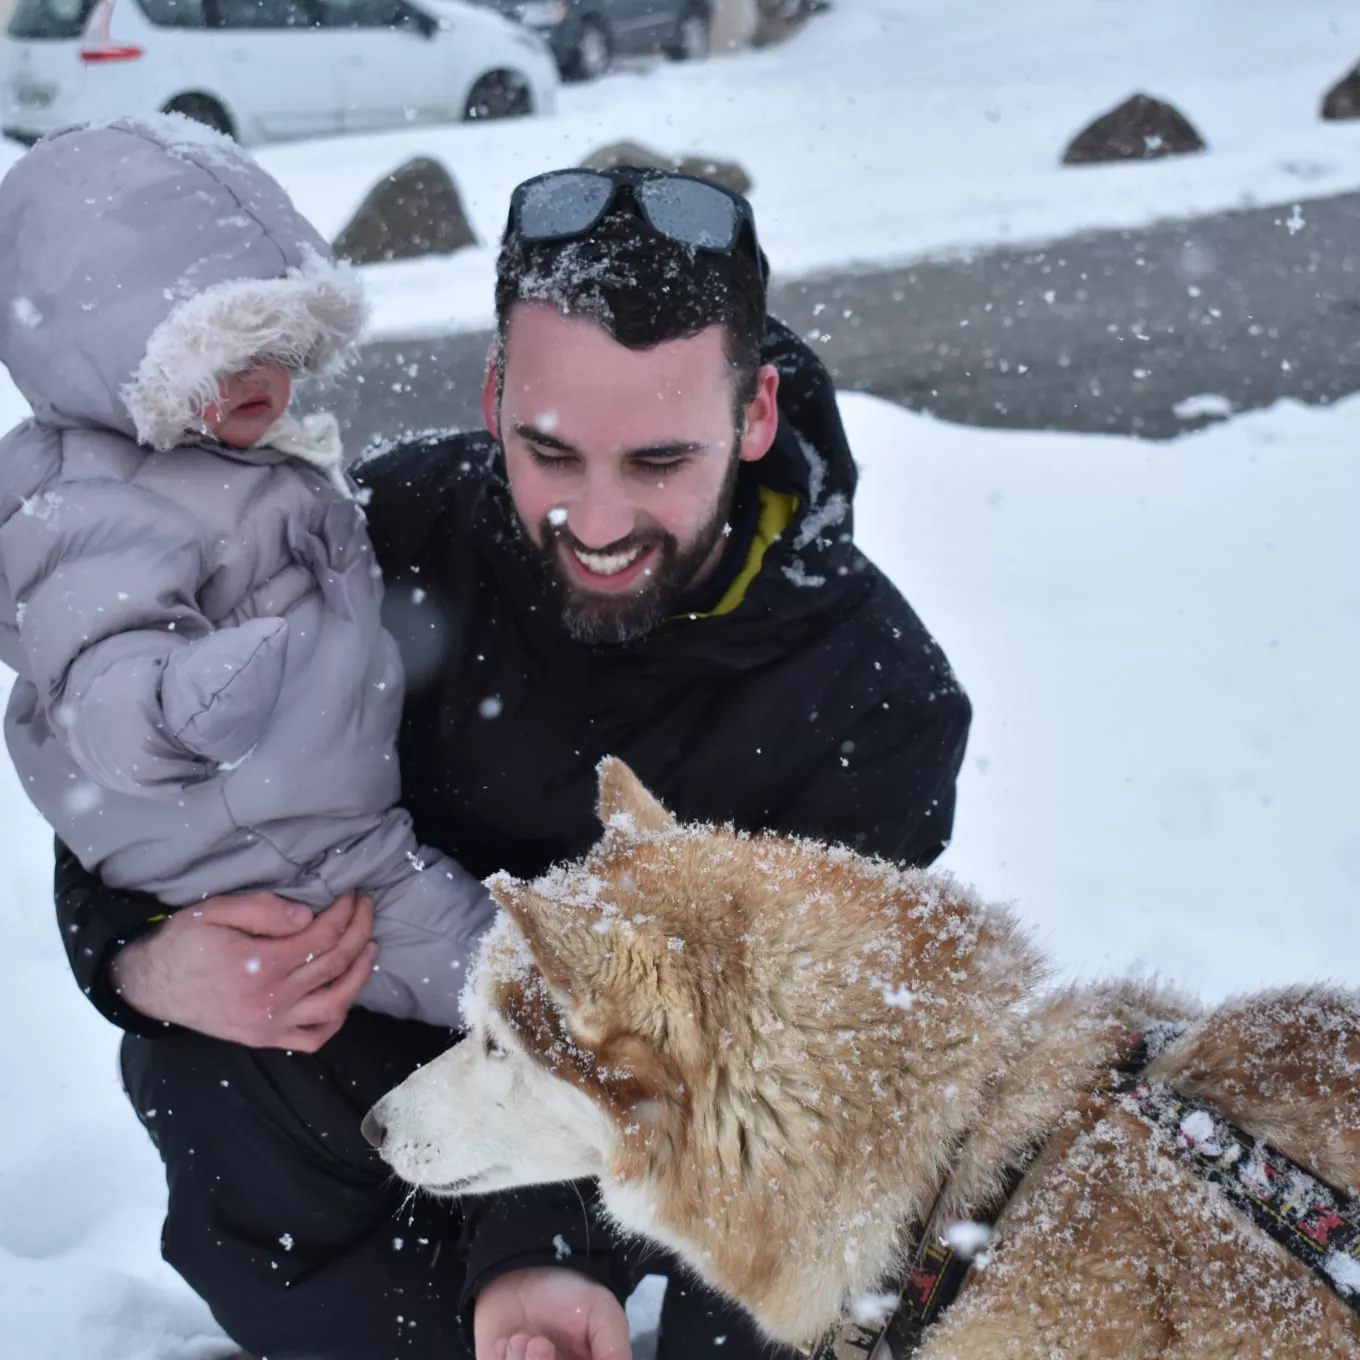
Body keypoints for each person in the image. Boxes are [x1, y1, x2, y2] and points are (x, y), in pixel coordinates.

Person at [52, 165, 972, 1360]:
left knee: (864, 1162)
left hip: (674, 1129)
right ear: (494, 396)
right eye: (552, 452)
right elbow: (151, 779)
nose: (596, 522)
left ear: (753, 417)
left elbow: (790, 1104)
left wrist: (548, 1249)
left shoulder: (874, 696)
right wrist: (133, 951)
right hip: (411, 1061)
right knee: (216, 1067)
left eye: (656, 462)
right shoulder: (378, 537)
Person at [0, 114, 494, 1030]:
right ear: (118, 361)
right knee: (518, 995)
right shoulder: (86, 499)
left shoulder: (207, 457)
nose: (264, 377)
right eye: (222, 351)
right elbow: (100, 668)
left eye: (285, 345)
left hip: (315, 828)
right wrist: (174, 712)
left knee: (507, 978)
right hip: (269, 859)